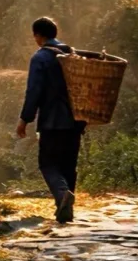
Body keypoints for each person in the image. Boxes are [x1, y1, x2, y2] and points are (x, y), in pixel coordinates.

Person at [16, 15, 86, 224]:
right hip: (76, 120)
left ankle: (62, 194)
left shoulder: (41, 58)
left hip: (53, 121)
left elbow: (34, 91)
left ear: (38, 36)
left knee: (47, 163)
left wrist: (25, 119)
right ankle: (65, 211)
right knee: (68, 166)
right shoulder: (72, 54)